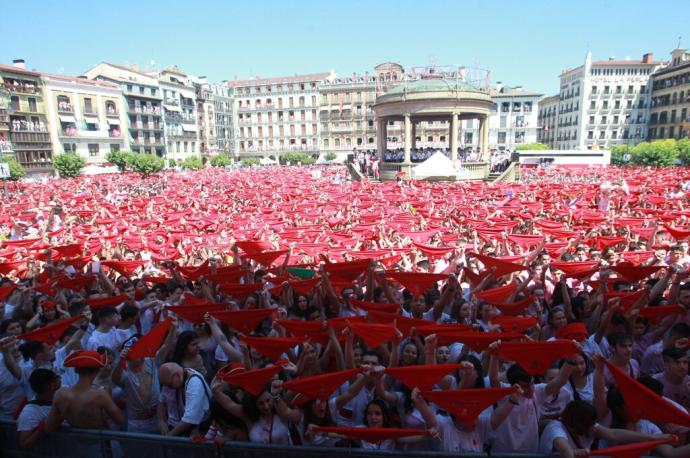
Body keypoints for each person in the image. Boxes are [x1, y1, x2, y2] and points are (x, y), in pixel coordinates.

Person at [45, 350, 124, 430]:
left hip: (72, 441)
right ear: (97, 370)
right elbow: (120, 420)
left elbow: (49, 427)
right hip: (97, 440)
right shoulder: (100, 395)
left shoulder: (60, 394)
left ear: (76, 370)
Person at [158, 362, 211, 436]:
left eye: (169, 385)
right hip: (175, 426)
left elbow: (189, 419)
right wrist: (161, 421)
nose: (167, 387)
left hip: (195, 431)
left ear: (178, 376)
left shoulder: (195, 383)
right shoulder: (172, 379)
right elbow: (162, 400)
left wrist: (168, 437)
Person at [16, 368, 60, 449]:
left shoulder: (60, 398)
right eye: (55, 378)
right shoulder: (29, 413)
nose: (59, 379)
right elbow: (24, 443)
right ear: (50, 385)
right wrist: (44, 427)